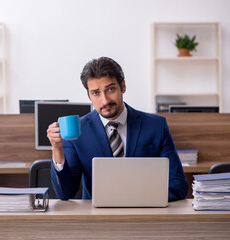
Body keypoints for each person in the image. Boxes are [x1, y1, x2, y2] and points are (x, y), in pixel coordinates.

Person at [47, 57, 188, 201]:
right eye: (96, 93)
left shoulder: (156, 126)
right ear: (89, 95)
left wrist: (136, 199)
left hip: (144, 214)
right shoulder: (79, 133)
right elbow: (66, 193)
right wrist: (57, 149)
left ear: (123, 86)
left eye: (110, 89)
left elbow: (178, 185)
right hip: (97, 219)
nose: (105, 100)